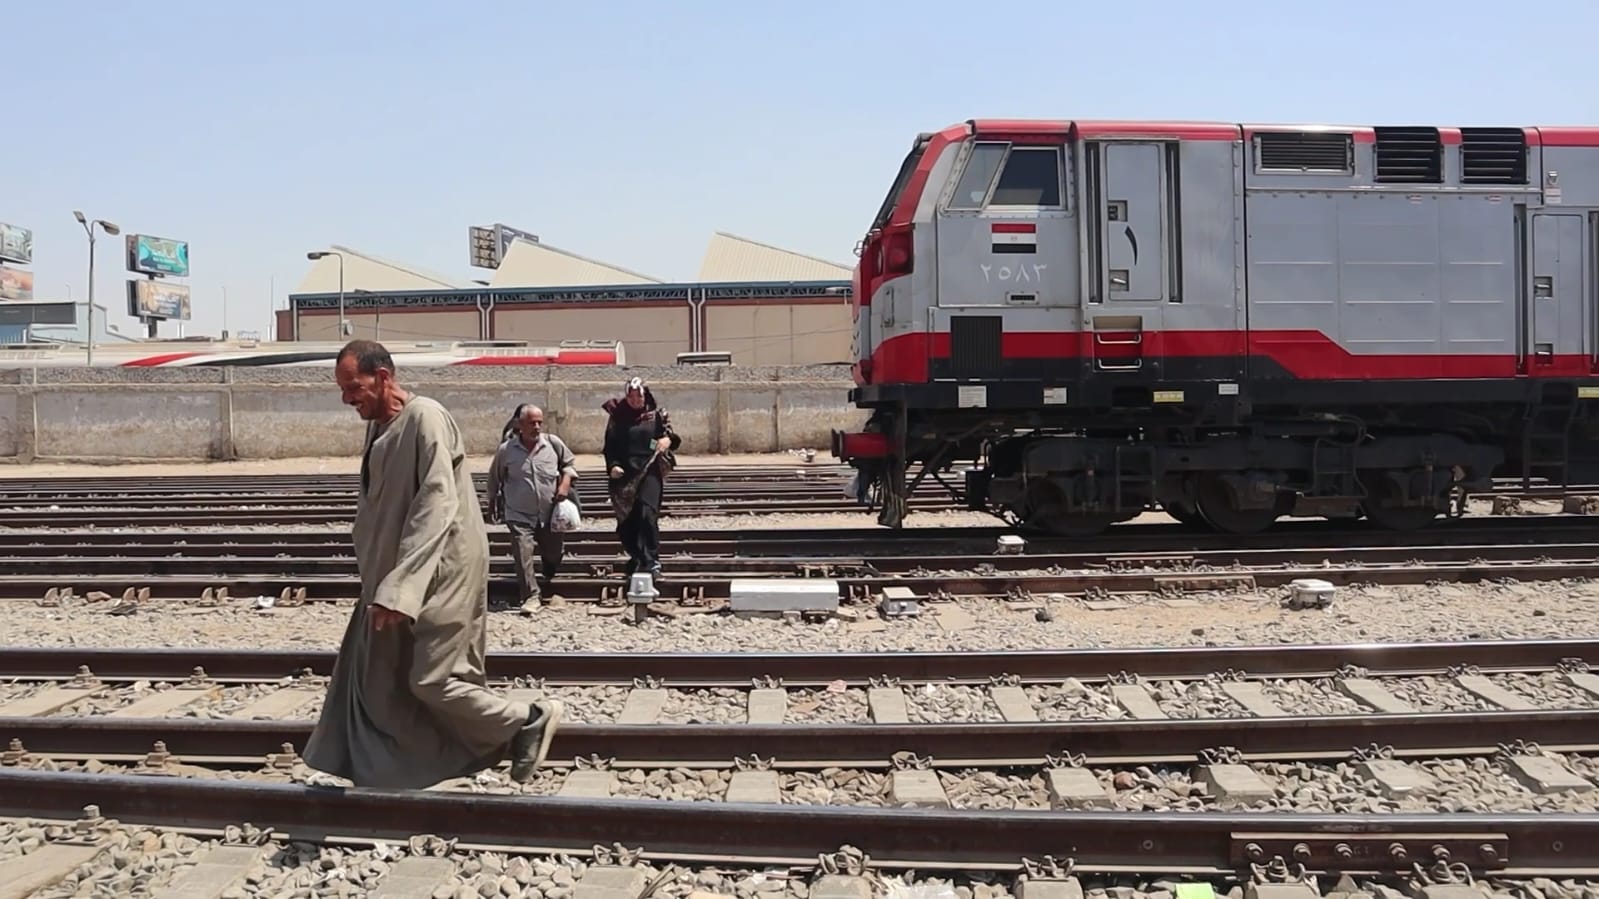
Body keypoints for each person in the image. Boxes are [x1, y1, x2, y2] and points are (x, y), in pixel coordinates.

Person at [303, 339, 564, 789]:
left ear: (383, 377)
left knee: (434, 678)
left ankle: (527, 719)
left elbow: (436, 502)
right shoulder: (380, 425)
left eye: (354, 387)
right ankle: (390, 776)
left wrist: (400, 587)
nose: (347, 398)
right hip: (398, 577)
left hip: (442, 570)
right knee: (375, 679)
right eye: (342, 389)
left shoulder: (425, 417)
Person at [486, 404, 578, 608]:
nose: (536, 427)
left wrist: (564, 484)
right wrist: (491, 503)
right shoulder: (506, 450)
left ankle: (549, 567)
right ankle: (530, 596)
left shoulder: (553, 443)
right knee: (522, 553)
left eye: (539, 423)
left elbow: (569, 464)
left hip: (550, 513)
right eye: (531, 423)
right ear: (520, 425)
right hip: (518, 513)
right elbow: (494, 478)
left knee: (553, 552)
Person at [602, 376, 681, 578]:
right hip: (624, 474)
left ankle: (652, 561)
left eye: (639, 396)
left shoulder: (656, 416)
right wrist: (613, 465)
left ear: (645, 396)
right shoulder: (617, 417)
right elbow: (610, 446)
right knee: (628, 522)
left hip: (649, 469)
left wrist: (666, 441)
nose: (635, 400)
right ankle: (638, 557)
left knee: (647, 514)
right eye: (631, 396)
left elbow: (666, 440)